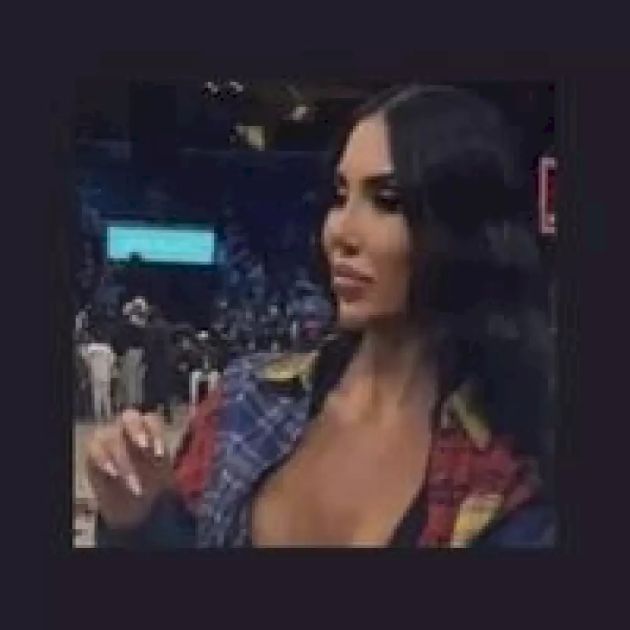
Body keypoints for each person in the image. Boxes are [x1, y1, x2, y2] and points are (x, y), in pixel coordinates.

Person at [87, 85, 555, 547]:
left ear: (462, 227)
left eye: (387, 201)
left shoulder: (508, 473)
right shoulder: (242, 403)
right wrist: (136, 519)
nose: (341, 232)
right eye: (340, 195)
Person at [142, 306, 173, 424]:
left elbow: (149, 345)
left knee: (151, 387)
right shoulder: (166, 326)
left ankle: (151, 414)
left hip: (155, 360)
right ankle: (167, 414)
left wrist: (146, 359)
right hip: (165, 360)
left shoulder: (151, 327)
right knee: (164, 388)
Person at [82, 329, 116, 422]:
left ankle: (98, 416)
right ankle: (108, 415)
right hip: (105, 374)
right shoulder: (108, 348)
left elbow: (86, 361)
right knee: (106, 395)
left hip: (94, 374)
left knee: (96, 395)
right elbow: (112, 361)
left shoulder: (90, 348)